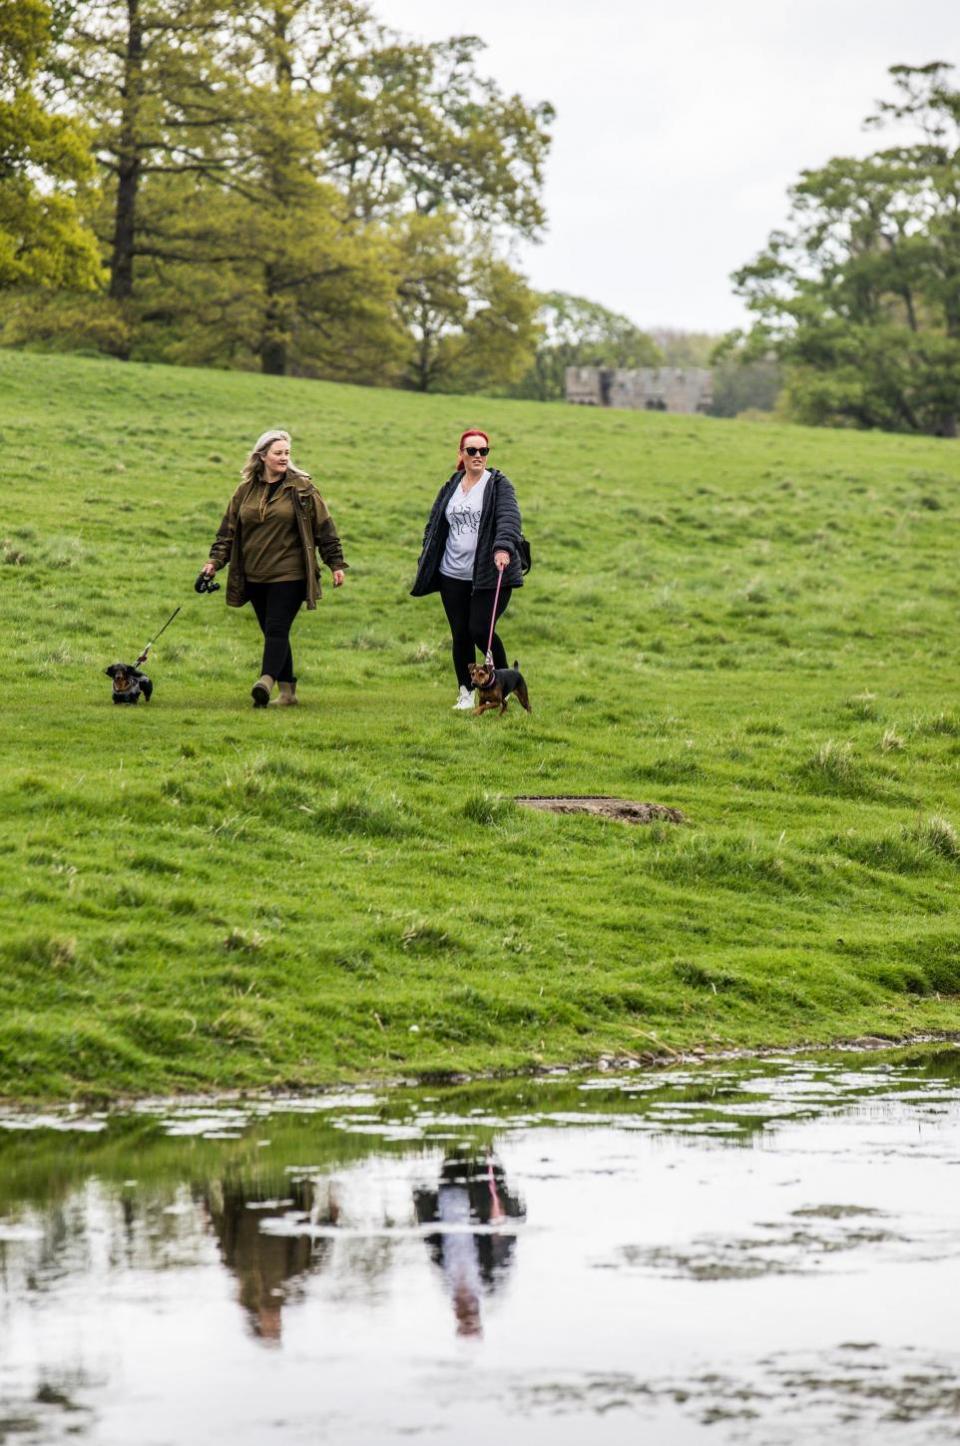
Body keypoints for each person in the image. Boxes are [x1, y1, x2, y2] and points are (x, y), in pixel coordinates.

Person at [200, 429, 346, 707]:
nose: (284, 457)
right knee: (272, 632)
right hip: (254, 574)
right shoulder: (245, 491)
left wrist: (335, 564)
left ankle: (265, 681)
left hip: (290, 574)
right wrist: (213, 563)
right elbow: (227, 532)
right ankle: (288, 693)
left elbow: (325, 528)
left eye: (287, 453)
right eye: (278, 453)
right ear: (262, 456)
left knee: (277, 628)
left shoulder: (302, 489)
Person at [411, 428, 524, 710]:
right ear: (461, 454)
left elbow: (509, 519)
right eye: (471, 450)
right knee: (460, 634)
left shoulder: (498, 485)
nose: (478, 456)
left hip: (489, 573)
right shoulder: (451, 484)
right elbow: (435, 523)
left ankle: (503, 686)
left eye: (483, 451)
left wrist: (502, 548)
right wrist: (427, 551)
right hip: (452, 573)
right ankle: (465, 692)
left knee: (480, 630)